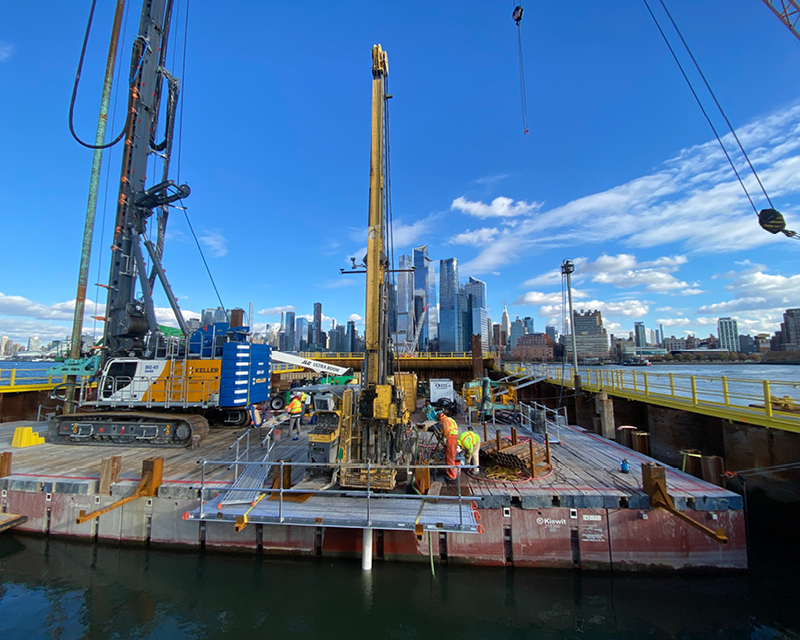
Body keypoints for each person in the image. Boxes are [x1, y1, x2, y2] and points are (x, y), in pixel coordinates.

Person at [438, 412, 459, 480]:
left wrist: (444, 438)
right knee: (452, 456)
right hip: (454, 438)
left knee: (450, 458)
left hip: (450, 439)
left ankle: (452, 476)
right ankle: (453, 473)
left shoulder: (445, 420)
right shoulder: (450, 419)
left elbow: (446, 431)